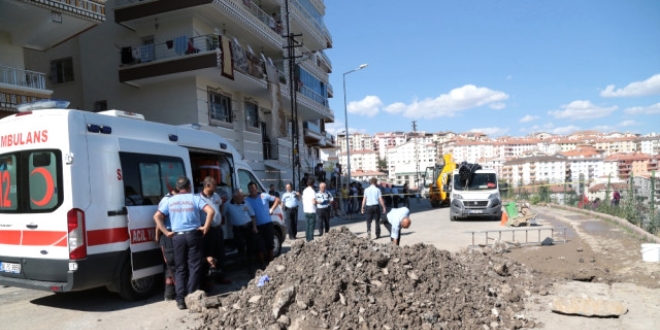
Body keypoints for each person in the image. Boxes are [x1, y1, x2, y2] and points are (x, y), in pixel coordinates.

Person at [154, 176, 214, 310]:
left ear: (177, 188)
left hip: (177, 237)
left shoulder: (170, 201)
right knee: (194, 267)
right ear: (189, 187)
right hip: (193, 235)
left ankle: (180, 299)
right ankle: (191, 296)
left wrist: (166, 232)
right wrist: (206, 228)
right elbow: (211, 211)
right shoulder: (194, 198)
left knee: (180, 268)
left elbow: (157, 216)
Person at [198, 177, 230, 285]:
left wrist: (220, 215)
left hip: (217, 229)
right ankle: (207, 279)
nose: (216, 187)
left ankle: (221, 277)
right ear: (207, 185)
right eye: (214, 185)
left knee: (220, 253)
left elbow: (221, 204)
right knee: (208, 255)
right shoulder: (198, 198)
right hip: (207, 231)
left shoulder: (216, 196)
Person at [224, 189, 259, 275]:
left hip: (248, 227)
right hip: (237, 229)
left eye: (242, 197)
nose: (241, 199)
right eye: (239, 197)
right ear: (234, 197)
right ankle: (242, 263)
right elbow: (222, 213)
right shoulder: (228, 204)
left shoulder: (246, 203)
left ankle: (251, 268)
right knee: (240, 246)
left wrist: (254, 227)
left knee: (250, 247)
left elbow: (253, 216)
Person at [245, 181, 280, 266]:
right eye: (250, 188)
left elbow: (277, 199)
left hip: (267, 224)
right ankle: (262, 263)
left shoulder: (264, 196)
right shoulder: (246, 200)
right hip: (256, 227)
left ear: (256, 188)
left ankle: (271, 263)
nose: (251, 190)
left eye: (253, 188)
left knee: (270, 244)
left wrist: (272, 209)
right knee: (259, 246)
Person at [154, 188, 177, 301]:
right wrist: (158, 236)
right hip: (169, 236)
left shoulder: (173, 199)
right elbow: (159, 220)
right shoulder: (167, 200)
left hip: (173, 235)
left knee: (170, 267)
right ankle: (175, 293)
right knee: (172, 265)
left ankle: (170, 294)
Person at [302, 177, 317, 242]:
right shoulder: (313, 191)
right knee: (311, 226)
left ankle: (307, 238)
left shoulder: (304, 191)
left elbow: (302, 199)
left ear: (307, 183)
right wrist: (318, 202)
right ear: (313, 184)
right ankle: (310, 239)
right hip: (312, 210)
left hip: (306, 209)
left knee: (307, 225)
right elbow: (314, 202)